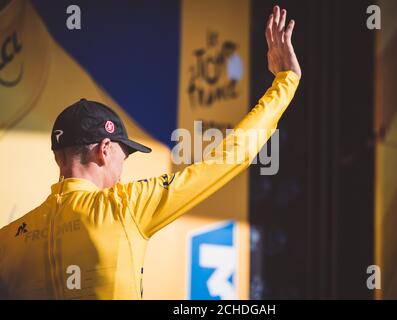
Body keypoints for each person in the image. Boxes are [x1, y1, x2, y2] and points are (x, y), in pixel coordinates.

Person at [0, 5, 301, 299]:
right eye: (124, 154)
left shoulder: (8, 240)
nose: (123, 170)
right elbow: (229, 159)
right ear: (104, 150)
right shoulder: (125, 206)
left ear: (57, 156)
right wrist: (285, 81)